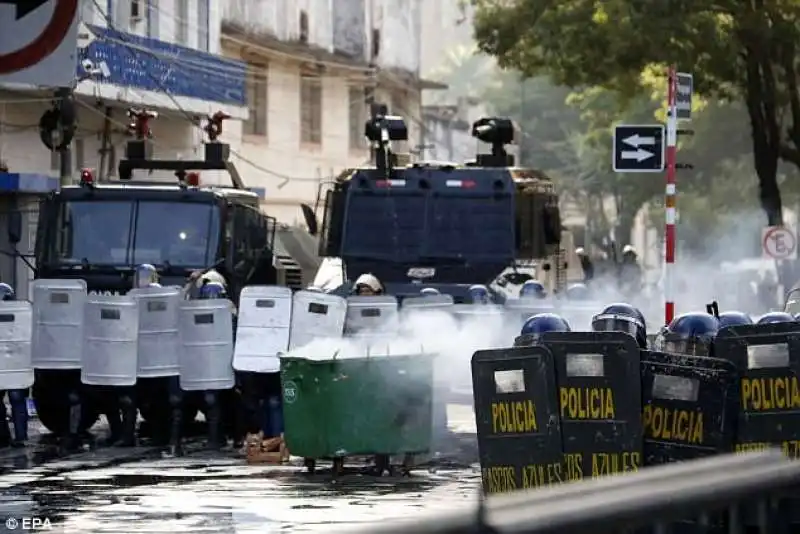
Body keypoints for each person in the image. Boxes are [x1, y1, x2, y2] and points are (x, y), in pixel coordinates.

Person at [0, 283, 28, 448]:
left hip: (10, 365)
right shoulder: (21, 315)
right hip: (15, 366)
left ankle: (5, 437)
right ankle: (20, 437)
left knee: (14, 400)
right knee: (17, 400)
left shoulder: (20, 315)